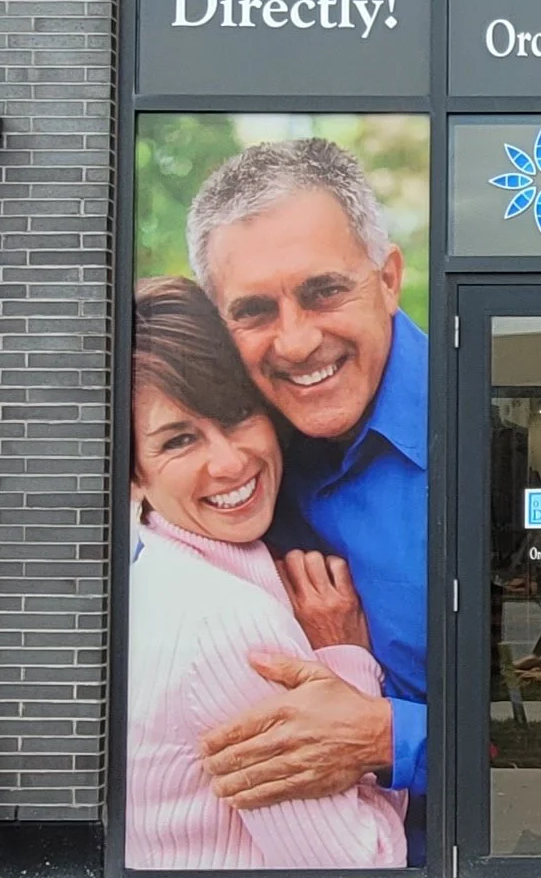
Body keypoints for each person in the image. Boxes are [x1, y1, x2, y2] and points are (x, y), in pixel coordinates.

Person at [182, 138, 428, 842]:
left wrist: (387, 736)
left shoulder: (481, 422)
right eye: (255, 310)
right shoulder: (222, 456)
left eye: (323, 292)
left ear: (388, 278)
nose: (294, 343)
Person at [126, 279, 407, 875]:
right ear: (133, 476)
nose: (229, 462)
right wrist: (346, 658)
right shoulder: (230, 624)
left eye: (238, 415)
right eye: (179, 440)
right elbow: (363, 867)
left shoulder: (157, 572)